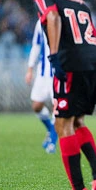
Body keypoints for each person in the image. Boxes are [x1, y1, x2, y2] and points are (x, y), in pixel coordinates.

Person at [33, 0, 96, 190]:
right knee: (77, 122)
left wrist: (54, 57)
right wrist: (95, 71)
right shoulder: (79, 1)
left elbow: (53, 17)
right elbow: (95, 38)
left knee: (62, 124)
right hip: (92, 63)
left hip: (70, 64)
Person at [25, 19, 57, 154]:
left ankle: (52, 141)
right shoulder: (40, 22)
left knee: (57, 107)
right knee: (37, 106)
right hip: (43, 73)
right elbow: (36, 45)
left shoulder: (63, 20)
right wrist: (30, 68)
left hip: (59, 73)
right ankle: (51, 129)